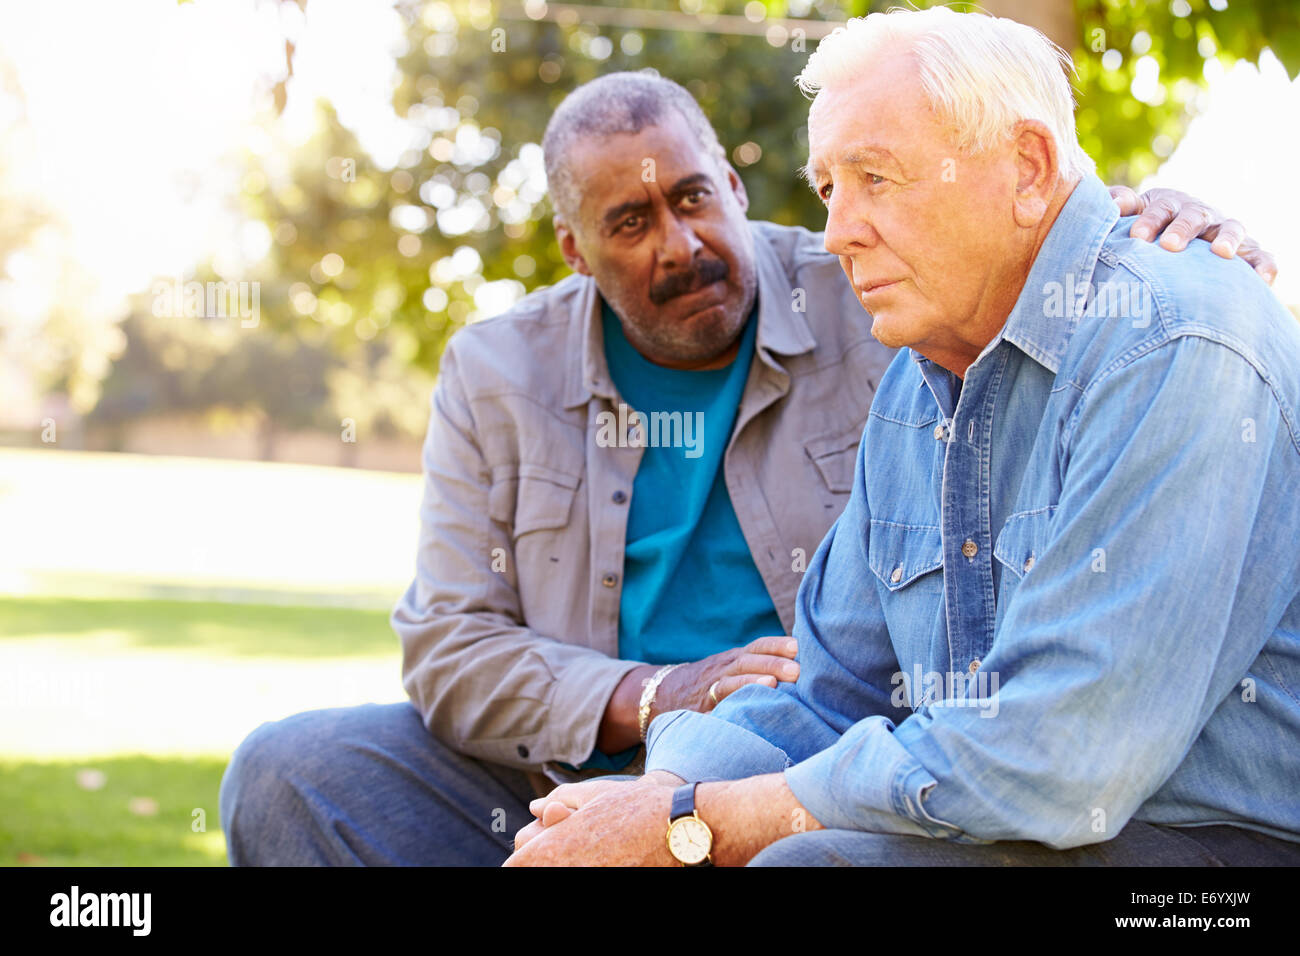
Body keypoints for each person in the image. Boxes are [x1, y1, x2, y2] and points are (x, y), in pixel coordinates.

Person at [218, 67, 1271, 866]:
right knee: (288, 770)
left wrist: (1145, 225)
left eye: (692, 197)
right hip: (594, 752)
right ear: (576, 249)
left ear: (730, 180)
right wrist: (656, 710)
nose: (678, 244)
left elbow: (1013, 243)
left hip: (825, 769)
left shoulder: (880, 294)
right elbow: (449, 646)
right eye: (630, 223)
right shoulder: (496, 370)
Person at [505, 11, 1300, 867]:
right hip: (1016, 827)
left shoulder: (1171, 344)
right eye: (827, 190)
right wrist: (656, 800)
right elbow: (827, 689)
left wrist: (690, 828)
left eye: (875, 178)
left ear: (1027, 169)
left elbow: (1060, 756)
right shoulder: (917, 388)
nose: (839, 229)